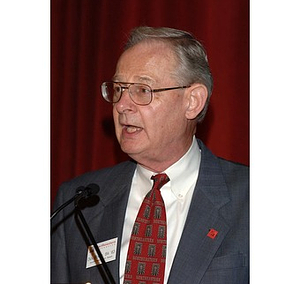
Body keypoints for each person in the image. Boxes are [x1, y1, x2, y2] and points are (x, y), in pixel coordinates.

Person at [51, 26, 249, 284]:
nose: (121, 105)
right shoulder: (78, 203)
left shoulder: (252, 198)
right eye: (119, 89)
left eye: (142, 90)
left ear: (192, 101)